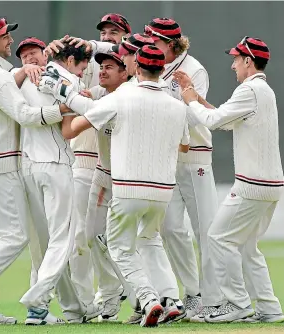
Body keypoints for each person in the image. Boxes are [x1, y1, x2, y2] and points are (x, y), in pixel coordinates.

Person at [42, 45, 189, 327]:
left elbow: (80, 120)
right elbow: (183, 145)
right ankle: (172, 300)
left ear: (135, 69)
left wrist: (62, 92)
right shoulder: (176, 104)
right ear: (161, 69)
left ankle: (148, 299)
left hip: (127, 187)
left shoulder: (123, 97)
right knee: (150, 241)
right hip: (162, 191)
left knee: (119, 247)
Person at [0, 17, 69, 325]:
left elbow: (13, 78)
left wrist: (31, 63)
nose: (10, 41)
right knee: (14, 236)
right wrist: (60, 109)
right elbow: (23, 114)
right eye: (5, 37)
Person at [174, 36, 284, 323]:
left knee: (218, 237)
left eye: (236, 59)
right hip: (268, 184)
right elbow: (223, 118)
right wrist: (195, 96)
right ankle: (269, 308)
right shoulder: (261, 90)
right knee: (246, 247)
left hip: (252, 184)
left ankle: (237, 304)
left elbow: (211, 122)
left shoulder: (250, 90)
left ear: (249, 61)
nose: (233, 65)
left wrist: (188, 100)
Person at [45, 13, 132, 307]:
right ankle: (98, 298)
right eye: (103, 32)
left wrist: (72, 101)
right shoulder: (94, 73)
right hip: (83, 166)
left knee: (108, 238)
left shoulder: (126, 86)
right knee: (85, 238)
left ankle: (119, 295)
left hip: (114, 171)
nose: (108, 36)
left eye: (114, 32)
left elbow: (103, 54)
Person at [14, 38, 103, 325]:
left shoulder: (28, 76)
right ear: (69, 61)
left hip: (28, 166)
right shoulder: (68, 81)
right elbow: (68, 131)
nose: (81, 73)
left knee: (45, 243)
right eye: (81, 66)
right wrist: (82, 104)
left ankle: (69, 310)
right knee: (62, 239)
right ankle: (37, 296)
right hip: (56, 166)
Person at [144, 17, 223, 321]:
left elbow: (195, 116)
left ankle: (216, 299)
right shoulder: (152, 67)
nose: (151, 46)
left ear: (172, 44)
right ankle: (193, 295)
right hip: (166, 161)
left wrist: (158, 112)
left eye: (156, 42)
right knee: (171, 229)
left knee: (206, 230)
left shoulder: (195, 70)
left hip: (196, 159)